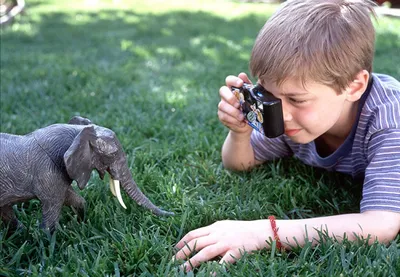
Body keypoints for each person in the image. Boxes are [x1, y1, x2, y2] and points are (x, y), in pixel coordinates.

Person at [173, 0, 400, 271]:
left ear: (354, 86)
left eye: (297, 99)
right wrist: (240, 133)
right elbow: (240, 163)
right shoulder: (290, 115)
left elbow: (381, 224)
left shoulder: (389, 121)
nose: (281, 113)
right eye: (269, 94)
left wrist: (262, 233)